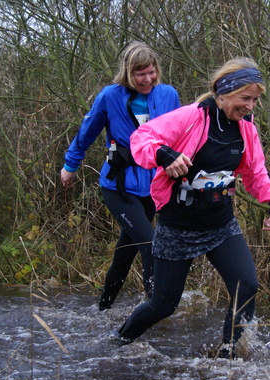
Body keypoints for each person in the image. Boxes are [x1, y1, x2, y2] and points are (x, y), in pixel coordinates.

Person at [114, 57, 270, 359]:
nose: (251, 106)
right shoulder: (190, 117)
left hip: (220, 225)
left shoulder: (246, 130)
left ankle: (228, 359)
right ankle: (118, 340)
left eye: (255, 99)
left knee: (246, 287)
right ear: (223, 93)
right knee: (163, 306)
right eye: (245, 98)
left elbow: (256, 173)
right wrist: (165, 154)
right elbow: (141, 138)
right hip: (178, 227)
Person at [60, 42, 180, 310]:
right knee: (150, 244)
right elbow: (87, 131)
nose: (147, 79)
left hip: (155, 187)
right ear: (128, 72)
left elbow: (179, 135)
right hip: (119, 186)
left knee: (126, 253)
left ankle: (103, 309)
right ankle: (156, 309)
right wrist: (71, 166)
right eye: (140, 74)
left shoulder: (168, 95)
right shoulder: (109, 96)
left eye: (151, 72)